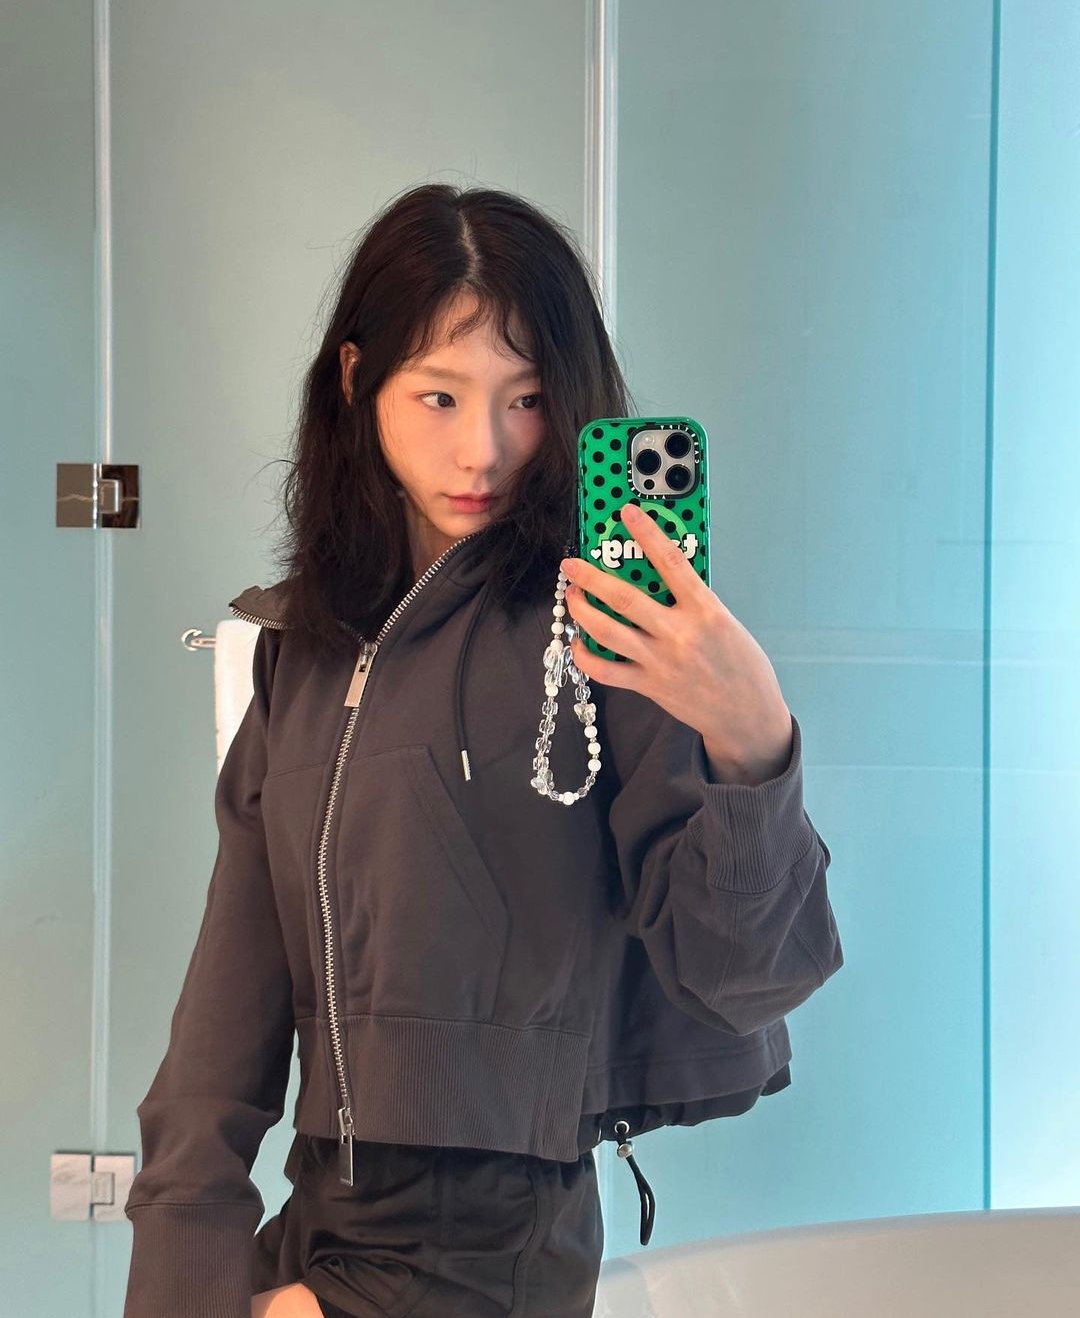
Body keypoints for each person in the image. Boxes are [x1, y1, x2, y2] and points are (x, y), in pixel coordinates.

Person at [121, 183, 844, 1318]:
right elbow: (228, 999)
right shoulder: (303, 649)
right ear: (357, 380)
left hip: (490, 1243)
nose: (486, 448)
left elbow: (748, 977)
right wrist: (181, 1259)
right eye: (440, 395)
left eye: (528, 398)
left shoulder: (605, 631)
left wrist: (752, 742)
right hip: (318, 1210)